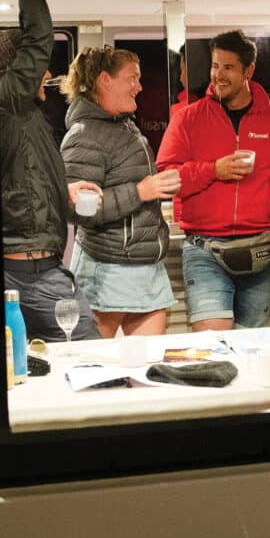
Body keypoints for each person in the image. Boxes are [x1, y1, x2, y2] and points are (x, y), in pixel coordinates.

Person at [156, 30, 270, 331]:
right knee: (215, 347)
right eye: (214, 66)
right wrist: (214, 170)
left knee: (252, 348)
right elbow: (167, 178)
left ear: (248, 70)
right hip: (204, 250)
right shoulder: (188, 118)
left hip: (260, 250)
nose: (218, 76)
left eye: (228, 67)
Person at [0, 0, 100, 342]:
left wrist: (64, 192)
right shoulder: (6, 101)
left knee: (31, 369)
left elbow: (23, 181)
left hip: (30, 267)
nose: (49, 75)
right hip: (36, 275)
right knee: (89, 352)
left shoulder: (21, 117)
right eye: (40, 67)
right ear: (15, 70)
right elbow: (39, 36)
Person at [60, 46, 181, 337]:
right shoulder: (83, 136)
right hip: (107, 270)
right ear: (105, 80)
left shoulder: (126, 127)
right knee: (98, 370)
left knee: (150, 369)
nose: (139, 87)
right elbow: (81, 211)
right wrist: (140, 191)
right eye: (132, 78)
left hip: (147, 266)